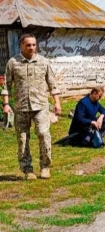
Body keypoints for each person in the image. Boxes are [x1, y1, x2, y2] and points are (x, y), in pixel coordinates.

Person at [1, 34, 61, 180]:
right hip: (21, 107)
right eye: (28, 45)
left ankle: (45, 166)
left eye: (34, 45)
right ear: (21, 45)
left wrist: (57, 102)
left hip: (40, 106)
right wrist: (6, 104)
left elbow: (52, 83)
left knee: (43, 134)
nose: (31, 48)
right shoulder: (13, 62)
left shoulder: (43, 62)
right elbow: (6, 85)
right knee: (22, 139)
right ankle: (27, 169)